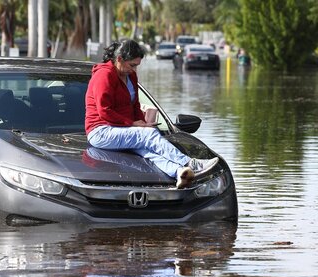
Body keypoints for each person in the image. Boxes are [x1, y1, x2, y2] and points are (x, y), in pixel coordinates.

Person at [85, 39, 219, 189]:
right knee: (148, 136)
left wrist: (143, 123)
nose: (134, 70)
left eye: (137, 66)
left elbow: (134, 105)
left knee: (147, 150)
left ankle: (179, 172)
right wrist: (134, 124)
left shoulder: (131, 76)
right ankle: (189, 163)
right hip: (100, 132)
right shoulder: (104, 75)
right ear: (119, 59)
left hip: (121, 130)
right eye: (132, 65)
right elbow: (105, 111)